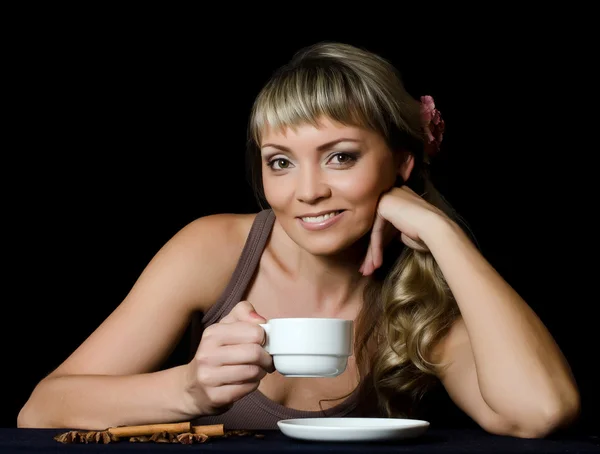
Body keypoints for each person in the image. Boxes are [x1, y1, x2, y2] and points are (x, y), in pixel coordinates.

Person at [18, 41, 580, 438]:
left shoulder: (422, 291)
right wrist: (188, 389)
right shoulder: (213, 249)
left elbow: (541, 413)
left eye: (340, 157)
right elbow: (42, 409)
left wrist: (441, 231)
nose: (307, 192)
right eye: (280, 162)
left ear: (403, 161)